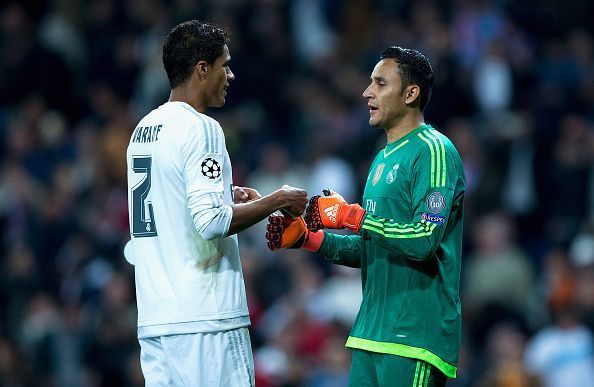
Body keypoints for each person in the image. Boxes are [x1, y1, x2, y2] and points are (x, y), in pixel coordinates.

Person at [266, 46, 466, 386]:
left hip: (414, 336)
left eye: (380, 83)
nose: (366, 92)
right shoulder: (382, 159)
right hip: (369, 333)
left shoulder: (434, 151)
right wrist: (310, 238)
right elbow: (372, 248)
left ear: (410, 93)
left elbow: (422, 240)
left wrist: (353, 217)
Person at [126, 20, 307, 386]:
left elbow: (173, 203)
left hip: (157, 320)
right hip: (206, 319)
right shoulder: (201, 127)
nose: (232, 75)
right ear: (202, 69)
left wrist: (225, 194)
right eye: (225, 65)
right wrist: (277, 199)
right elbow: (211, 222)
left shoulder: (143, 130)